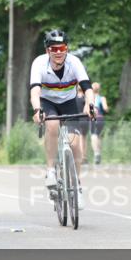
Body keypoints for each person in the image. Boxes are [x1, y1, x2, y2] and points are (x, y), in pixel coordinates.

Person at [30, 30, 95, 210]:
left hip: (69, 102)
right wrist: (37, 110)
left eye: (62, 48)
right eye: (54, 48)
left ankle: (77, 187)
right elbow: (35, 91)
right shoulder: (39, 64)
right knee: (52, 124)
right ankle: (51, 169)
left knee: (76, 146)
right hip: (47, 101)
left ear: (67, 49)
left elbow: (87, 87)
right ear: (47, 50)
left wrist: (90, 104)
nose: (58, 52)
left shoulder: (74, 62)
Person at [90, 82, 108, 164]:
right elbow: (105, 108)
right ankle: (99, 153)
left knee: (94, 135)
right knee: (99, 136)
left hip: (93, 117)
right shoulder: (102, 98)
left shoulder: (90, 98)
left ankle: (96, 153)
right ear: (99, 89)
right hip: (101, 118)